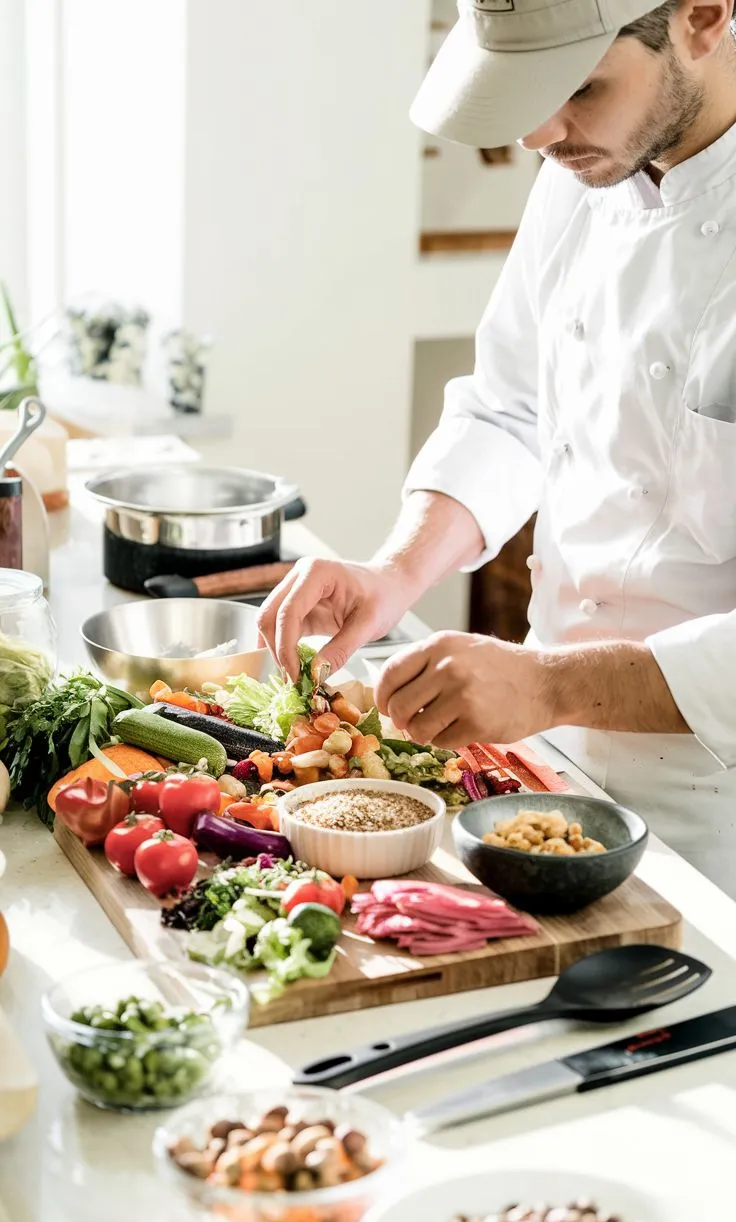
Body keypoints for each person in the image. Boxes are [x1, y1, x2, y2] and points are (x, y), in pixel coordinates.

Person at [259, 0, 736, 892]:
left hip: (722, 821)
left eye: (580, 87)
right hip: (549, 771)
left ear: (703, 17)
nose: (538, 134)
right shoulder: (583, 168)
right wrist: (395, 574)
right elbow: (512, 409)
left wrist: (551, 683)